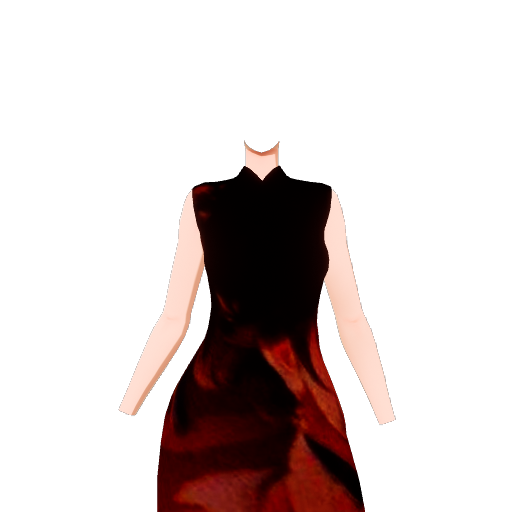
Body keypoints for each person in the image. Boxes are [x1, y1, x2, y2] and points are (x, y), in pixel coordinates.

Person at [119, 135, 394, 511]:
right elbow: (172, 316)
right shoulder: (202, 200)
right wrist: (129, 408)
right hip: (209, 418)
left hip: (305, 414)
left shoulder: (322, 199)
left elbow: (351, 316)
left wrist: (385, 415)